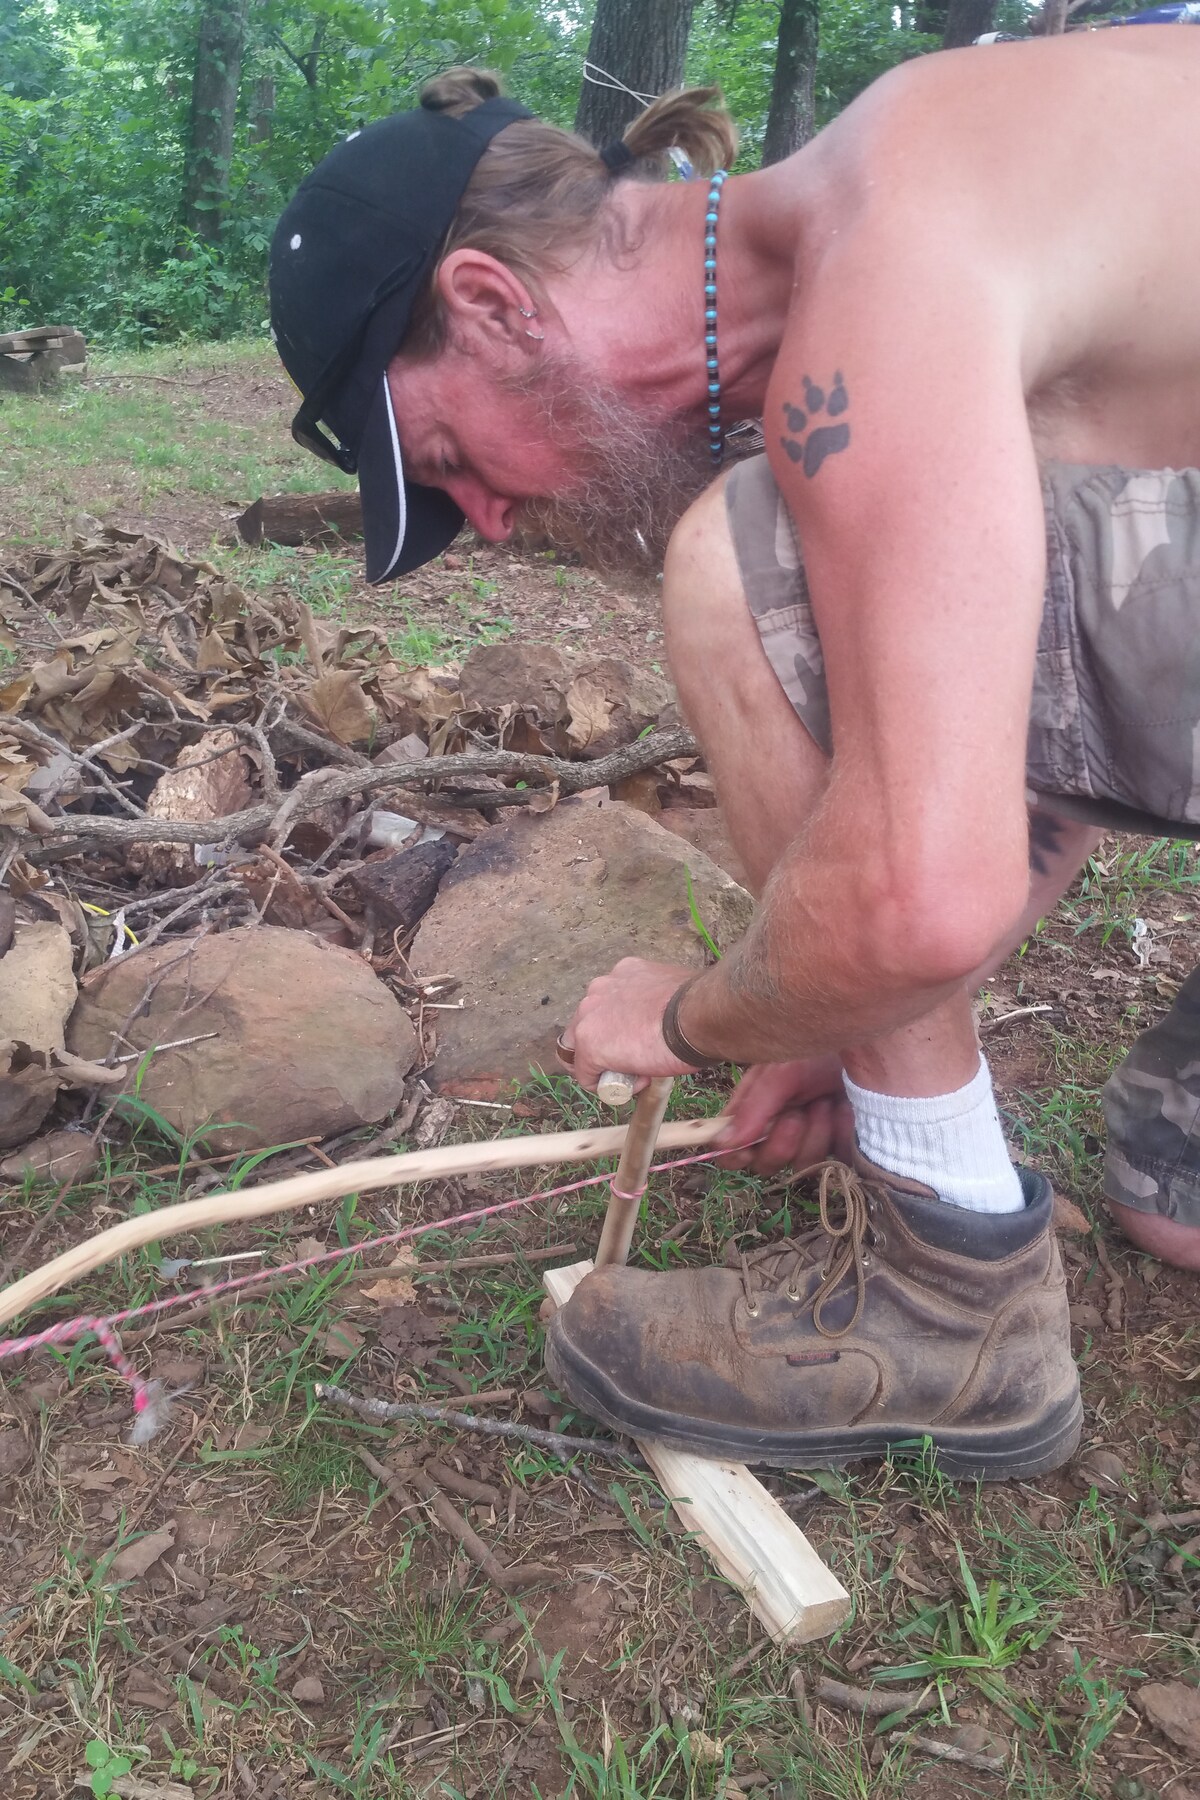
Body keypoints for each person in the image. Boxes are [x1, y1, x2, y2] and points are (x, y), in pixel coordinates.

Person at [269, 30, 1200, 1477]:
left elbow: (926, 901)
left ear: (493, 302)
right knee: (1169, 1191)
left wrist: (700, 1017)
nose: (491, 524)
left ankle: (953, 1287)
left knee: (740, 551)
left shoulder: (887, 266)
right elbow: (1046, 726)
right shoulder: (916, 200)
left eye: (448, 462)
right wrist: (843, 1013)